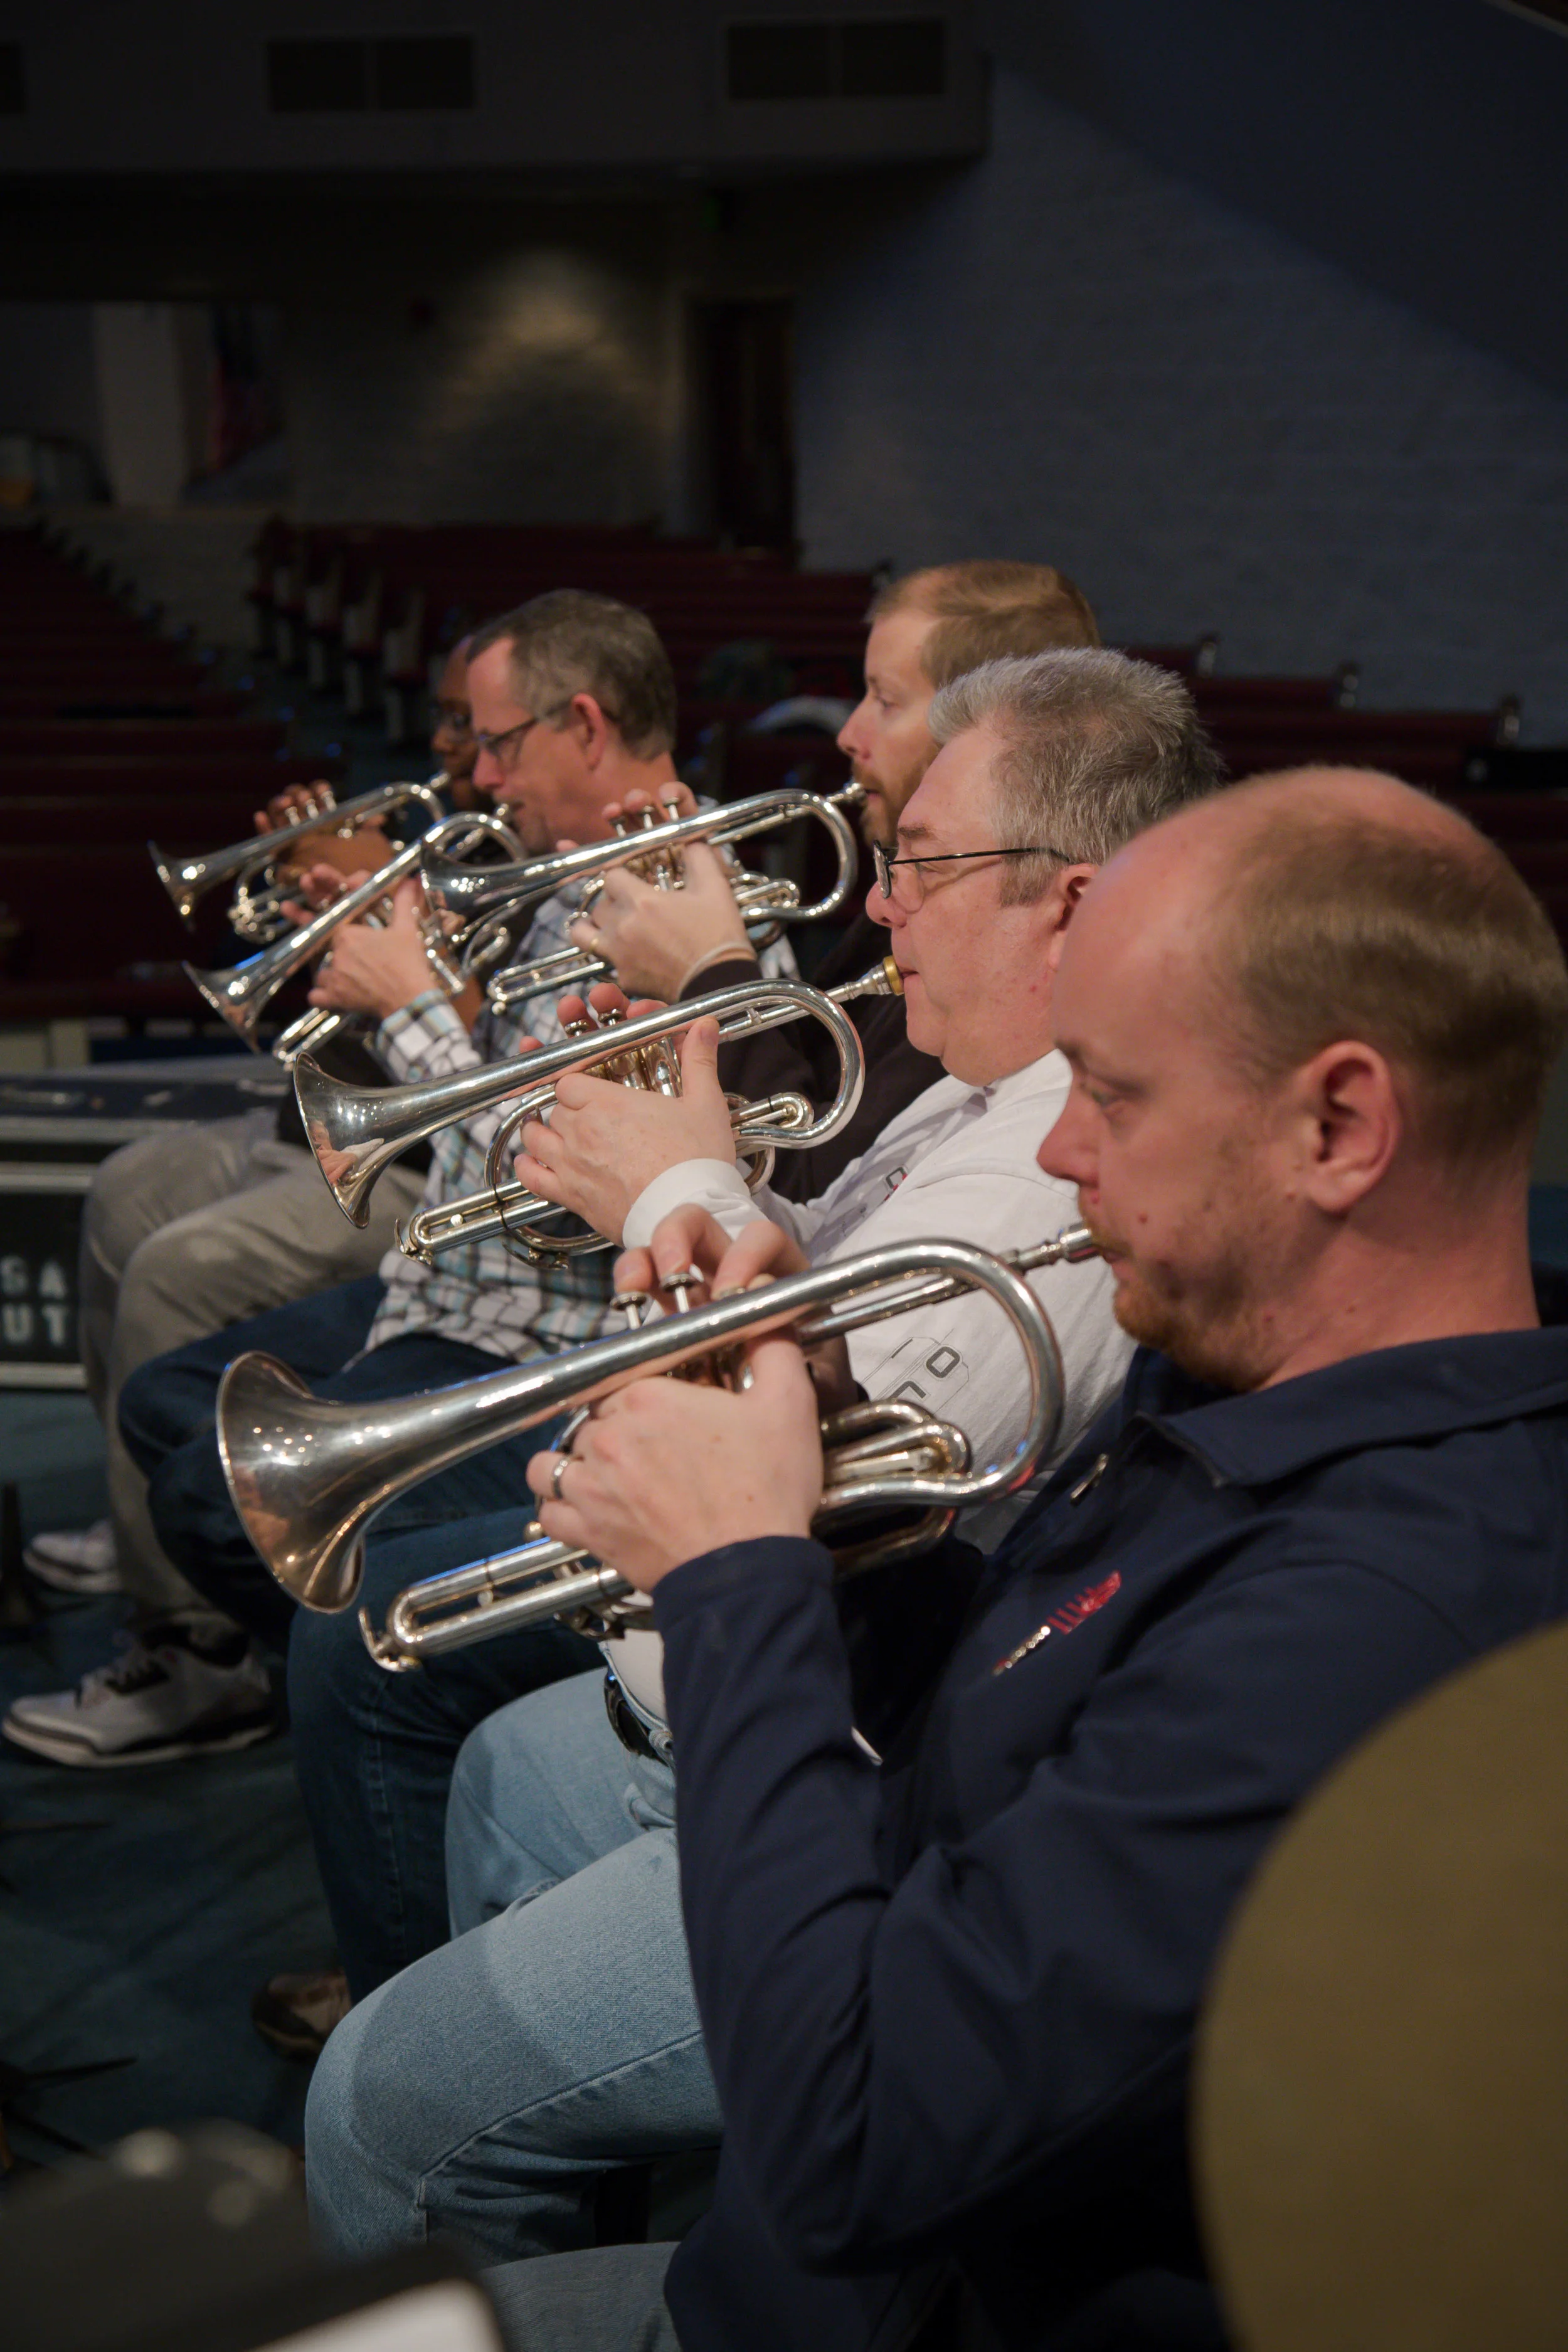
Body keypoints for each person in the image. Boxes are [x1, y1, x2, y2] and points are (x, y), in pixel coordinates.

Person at [306, 768, 1568, 2352]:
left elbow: (852, 2142)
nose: (1058, 1155)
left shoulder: (1382, 1620)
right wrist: (827, 1468)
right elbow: (1010, 1713)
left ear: (1339, 1123)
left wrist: (735, 1577)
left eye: (1110, 1093)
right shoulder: (1255, 1383)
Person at [297, 645, 1228, 2243]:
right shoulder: (972, 1092)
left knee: (375, 2104)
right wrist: (683, 1153)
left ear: (1069, 903)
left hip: (860, 1769)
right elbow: (822, 1260)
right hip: (723, 1708)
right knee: (503, 1770)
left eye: (922, 865)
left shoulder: (1056, 1160)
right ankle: (591, 2195)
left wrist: (677, 1193)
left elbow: (823, 1457)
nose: (878, 903)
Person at [1, 598, 714, 1782]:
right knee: (171, 1410)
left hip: (536, 1324)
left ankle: (332, 1688)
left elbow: (560, 1177)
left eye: (496, 743)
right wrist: (395, 956)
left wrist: (420, 1002)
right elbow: (487, 1104)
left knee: (208, 1486)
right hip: (448, 1282)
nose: (474, 774)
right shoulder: (550, 878)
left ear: (584, 725)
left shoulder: (665, 893)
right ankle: (329, 1677)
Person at [581, 559, 1101, 1199]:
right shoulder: (905, 898)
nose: (849, 734)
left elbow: (812, 1184)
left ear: (979, 729)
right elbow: (817, 1073)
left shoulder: (983, 952)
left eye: (884, 700)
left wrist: (710, 970)